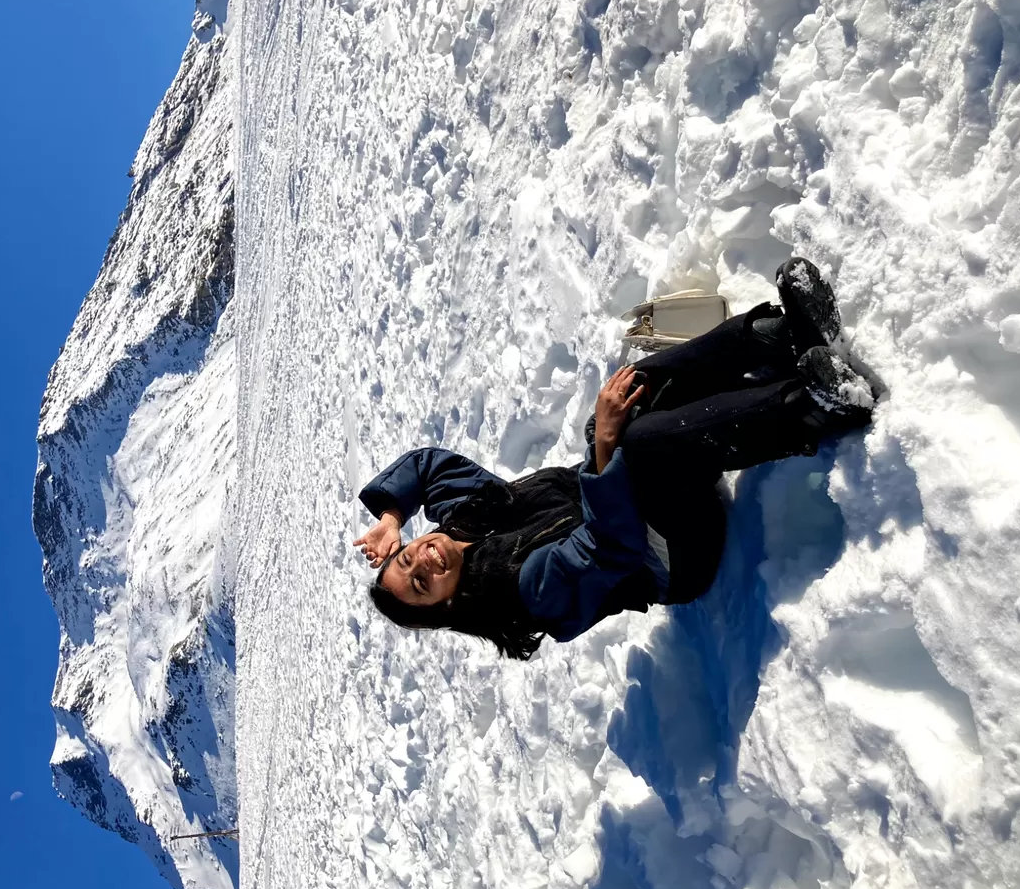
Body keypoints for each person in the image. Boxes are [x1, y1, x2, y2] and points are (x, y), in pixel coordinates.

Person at [353, 257, 874, 659]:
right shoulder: (523, 594)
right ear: (444, 605)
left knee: (622, 403)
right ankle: (814, 407)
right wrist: (606, 450)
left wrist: (391, 514)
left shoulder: (464, 519)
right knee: (636, 445)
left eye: (408, 558)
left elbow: (428, 467)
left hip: (626, 509)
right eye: (421, 583)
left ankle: (782, 337)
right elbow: (613, 547)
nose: (424, 561)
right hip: (667, 558)